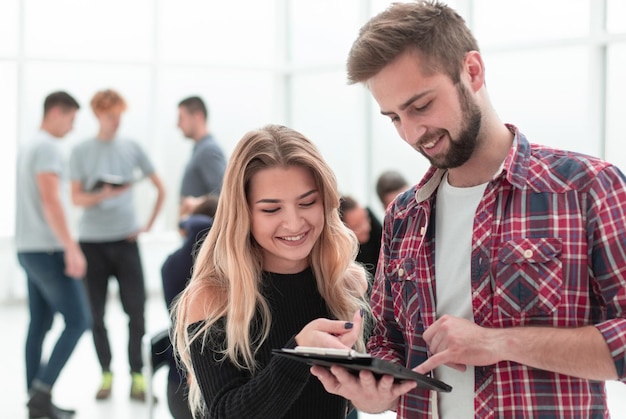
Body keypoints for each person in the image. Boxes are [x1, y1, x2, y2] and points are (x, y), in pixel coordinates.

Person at [310, 1, 626, 418]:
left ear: (472, 72)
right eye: (394, 118)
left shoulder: (586, 188)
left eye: (421, 106)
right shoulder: (404, 216)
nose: (411, 133)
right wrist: (373, 395)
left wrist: (500, 343)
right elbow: (389, 342)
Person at [173, 124, 371, 419]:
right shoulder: (213, 297)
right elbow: (226, 414)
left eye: (307, 202)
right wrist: (299, 353)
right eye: (271, 210)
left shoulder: (346, 284)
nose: (294, 223)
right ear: (243, 214)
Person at [69, 88, 166, 402]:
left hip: (126, 242)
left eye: (119, 115)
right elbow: (75, 198)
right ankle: (106, 374)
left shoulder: (132, 147)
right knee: (95, 316)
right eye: (111, 116)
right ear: (98, 114)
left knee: (136, 313)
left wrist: (147, 226)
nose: (116, 121)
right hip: (92, 244)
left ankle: (138, 376)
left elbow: (160, 188)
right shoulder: (81, 150)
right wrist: (103, 195)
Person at [15, 91, 91, 419]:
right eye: (72, 119)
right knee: (79, 320)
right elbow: (51, 201)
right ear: (57, 112)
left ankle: (37, 398)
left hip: (28, 248)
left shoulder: (29, 146)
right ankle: (41, 393)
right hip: (48, 250)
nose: (72, 128)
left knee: (40, 324)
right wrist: (71, 247)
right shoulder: (46, 147)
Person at [161, 194, 219, 419]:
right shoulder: (208, 264)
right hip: (193, 390)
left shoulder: (172, 262)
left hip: (179, 389)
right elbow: (200, 227)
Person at [177, 96, 226, 218]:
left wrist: (196, 203)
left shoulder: (208, 150)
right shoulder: (199, 149)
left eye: (181, 118)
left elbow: (225, 194)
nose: (178, 125)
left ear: (197, 116)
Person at [339, 195, 382, 282]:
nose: (366, 227)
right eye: (357, 226)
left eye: (366, 218)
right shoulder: (344, 256)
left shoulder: (375, 228)